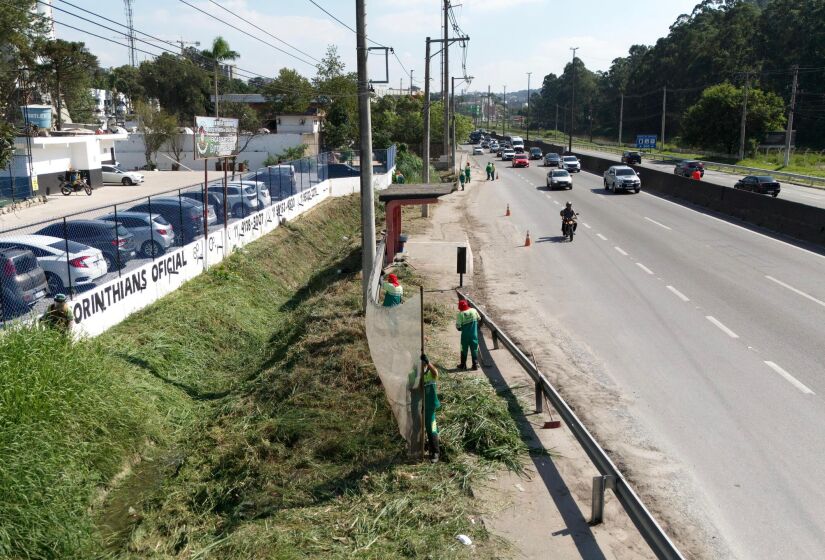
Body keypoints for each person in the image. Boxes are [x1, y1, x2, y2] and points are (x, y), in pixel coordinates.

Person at [420, 353, 442, 463]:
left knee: (432, 427)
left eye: (424, 363)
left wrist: (428, 363)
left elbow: (436, 373)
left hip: (431, 405)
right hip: (420, 405)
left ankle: (435, 452)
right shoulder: (415, 374)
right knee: (418, 426)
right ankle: (422, 446)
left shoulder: (430, 373)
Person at [455, 299, 481, 370]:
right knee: (474, 349)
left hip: (465, 336)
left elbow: (458, 327)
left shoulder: (460, 314)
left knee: (464, 349)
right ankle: (475, 364)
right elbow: (479, 318)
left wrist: (462, 328)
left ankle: (463, 365)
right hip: (474, 335)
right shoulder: (473, 310)